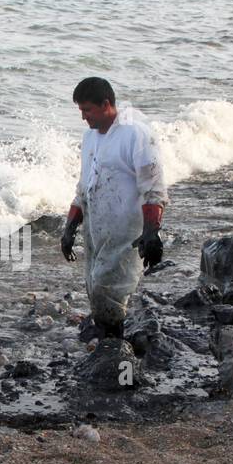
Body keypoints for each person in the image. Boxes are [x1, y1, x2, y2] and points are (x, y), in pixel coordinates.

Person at [60, 77, 168, 339]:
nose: (84, 117)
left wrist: (151, 232)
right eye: (80, 111)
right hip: (97, 230)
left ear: (106, 104)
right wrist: (70, 227)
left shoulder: (136, 134)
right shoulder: (90, 138)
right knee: (95, 287)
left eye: (87, 110)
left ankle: (118, 358)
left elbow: (153, 189)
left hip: (124, 233)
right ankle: (110, 346)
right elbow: (84, 188)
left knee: (109, 292)